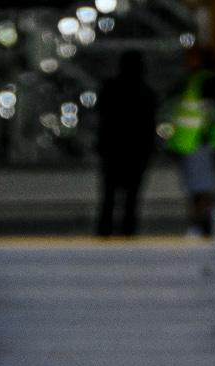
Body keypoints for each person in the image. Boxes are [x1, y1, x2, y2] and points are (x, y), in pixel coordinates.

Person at [158, 46, 215, 239]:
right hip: (190, 143)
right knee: (196, 188)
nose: (187, 62)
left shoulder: (206, 80)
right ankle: (200, 224)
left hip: (200, 142)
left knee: (201, 189)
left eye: (191, 58)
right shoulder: (193, 81)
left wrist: (205, 134)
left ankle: (203, 226)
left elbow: (211, 110)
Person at [94, 50, 159, 240]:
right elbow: (149, 124)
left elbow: (104, 119)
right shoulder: (146, 92)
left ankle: (105, 230)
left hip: (114, 149)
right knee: (131, 196)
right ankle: (127, 231)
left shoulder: (110, 88)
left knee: (109, 194)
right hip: (136, 151)